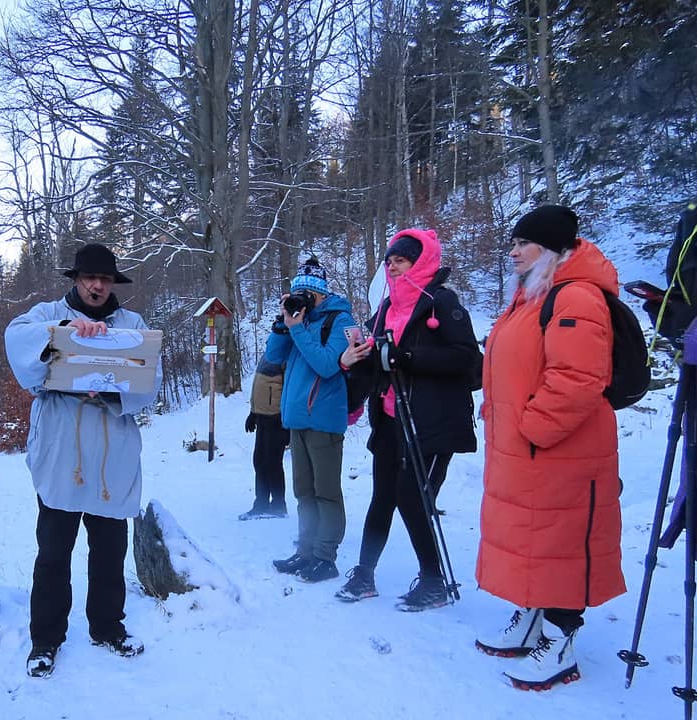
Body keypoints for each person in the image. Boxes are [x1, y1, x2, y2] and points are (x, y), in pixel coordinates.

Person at [474, 205, 626, 690]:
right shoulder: (532, 296)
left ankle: (560, 643)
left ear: (553, 249)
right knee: (532, 541)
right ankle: (531, 618)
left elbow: (578, 378)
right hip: (527, 451)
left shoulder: (576, 296)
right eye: (513, 243)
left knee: (561, 545)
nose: (513, 251)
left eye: (524, 243)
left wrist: (534, 429)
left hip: (559, 450)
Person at [5, 243, 160, 679]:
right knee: (54, 552)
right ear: (76, 279)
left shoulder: (132, 325)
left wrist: (110, 391)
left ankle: (107, 626)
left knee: (110, 551)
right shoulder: (47, 314)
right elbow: (18, 342)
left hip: (112, 453)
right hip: (63, 451)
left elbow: (150, 380)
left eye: (105, 279)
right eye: (90, 277)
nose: (97, 286)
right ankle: (45, 639)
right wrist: (64, 330)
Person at [335, 229, 479, 611]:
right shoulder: (387, 307)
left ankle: (434, 581)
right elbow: (375, 360)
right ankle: (364, 574)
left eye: (401, 260)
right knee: (382, 495)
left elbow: (467, 358)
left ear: (420, 263)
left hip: (430, 419)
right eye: (390, 261)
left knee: (411, 497)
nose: (393, 266)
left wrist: (409, 358)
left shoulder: (440, 302)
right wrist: (350, 360)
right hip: (388, 416)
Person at [266, 256, 356, 583]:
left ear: (320, 293)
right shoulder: (297, 321)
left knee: (326, 492)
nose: (301, 298)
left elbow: (327, 365)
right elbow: (272, 357)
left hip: (324, 419)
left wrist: (298, 329)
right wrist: (284, 324)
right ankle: (305, 550)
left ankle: (325, 557)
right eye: (296, 292)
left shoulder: (339, 319)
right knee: (303, 491)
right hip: (296, 419)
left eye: (307, 293)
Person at [240, 359, 290, 520]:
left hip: (277, 419)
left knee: (272, 463)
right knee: (259, 461)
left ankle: (278, 506)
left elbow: (290, 390)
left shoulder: (287, 354)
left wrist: (287, 423)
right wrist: (253, 413)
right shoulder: (271, 352)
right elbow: (261, 385)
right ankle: (261, 503)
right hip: (262, 417)